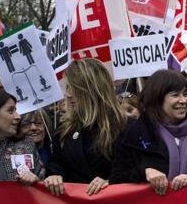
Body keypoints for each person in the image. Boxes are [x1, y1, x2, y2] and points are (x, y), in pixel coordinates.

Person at [110, 69, 187, 194]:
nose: (183, 101)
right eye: (175, 95)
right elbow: (116, 179)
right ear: (158, 98)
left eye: (185, 94)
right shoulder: (133, 133)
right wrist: (144, 172)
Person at [44, 59, 126, 196]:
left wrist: (111, 182)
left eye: (72, 88)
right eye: (66, 88)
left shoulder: (123, 126)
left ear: (90, 90)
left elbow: (134, 169)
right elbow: (57, 163)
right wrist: (54, 175)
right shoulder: (65, 128)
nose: (67, 94)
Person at [0, 89, 43, 183]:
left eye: (16, 110)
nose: (18, 117)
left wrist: (36, 181)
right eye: (10, 111)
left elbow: (43, 187)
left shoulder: (27, 146)